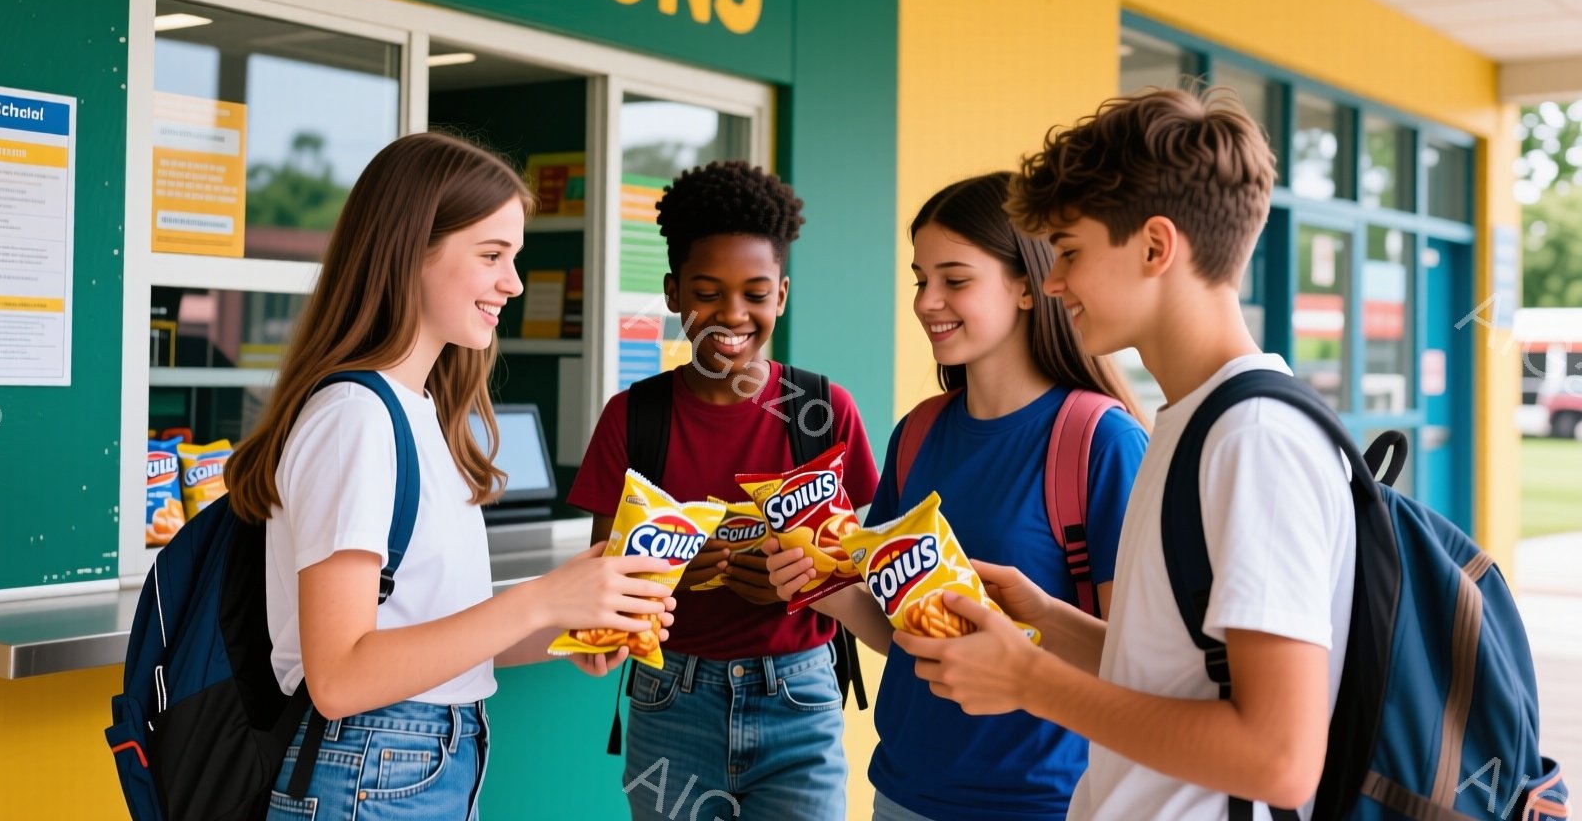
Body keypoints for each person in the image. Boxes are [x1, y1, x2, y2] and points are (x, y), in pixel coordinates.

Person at [896, 89, 1356, 820]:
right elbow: (1185, 676)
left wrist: (1028, 681)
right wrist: (1046, 617)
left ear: (1154, 247)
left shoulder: (1254, 439)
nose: (1051, 282)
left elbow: (1281, 759)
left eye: (1069, 252)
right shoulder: (1195, 422)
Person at [225, 132, 676, 821]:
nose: (514, 283)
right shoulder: (356, 419)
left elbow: (428, 629)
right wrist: (541, 600)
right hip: (371, 767)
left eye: (514, 257)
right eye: (491, 255)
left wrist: (572, 620)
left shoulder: (419, 411)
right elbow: (340, 677)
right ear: (410, 251)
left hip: (411, 762)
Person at [767, 172, 1149, 821]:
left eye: (955, 278)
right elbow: (905, 635)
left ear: (1028, 284)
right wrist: (823, 587)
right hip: (902, 794)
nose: (925, 301)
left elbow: (1139, 662)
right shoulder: (917, 432)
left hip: (1047, 805)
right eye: (920, 278)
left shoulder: (1102, 442)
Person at [567, 160, 879, 821]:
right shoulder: (634, 417)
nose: (732, 315)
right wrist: (669, 577)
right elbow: (602, 588)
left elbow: (863, 568)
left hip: (799, 696)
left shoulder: (822, 411)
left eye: (755, 293)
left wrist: (805, 580)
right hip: (669, 697)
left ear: (783, 296)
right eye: (707, 291)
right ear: (673, 293)